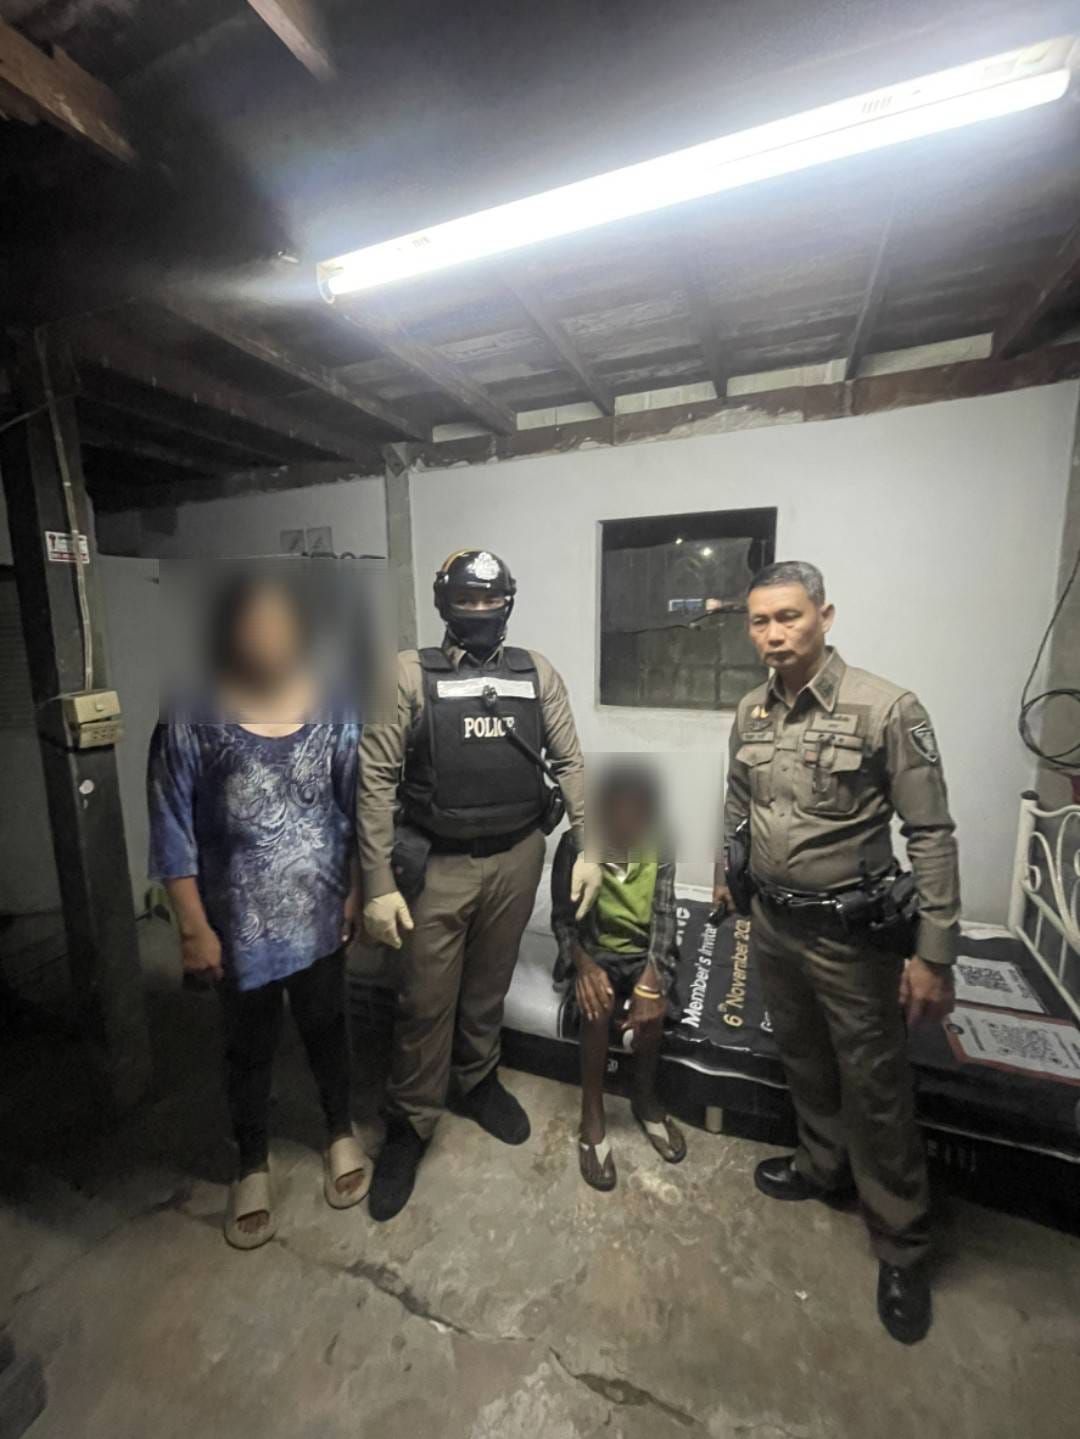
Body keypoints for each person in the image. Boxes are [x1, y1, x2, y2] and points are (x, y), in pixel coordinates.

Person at [716, 560, 959, 1345]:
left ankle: (902, 1241)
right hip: (775, 922)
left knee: (875, 1083)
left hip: (852, 938)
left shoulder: (885, 707)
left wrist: (934, 953)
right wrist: (727, 873)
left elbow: (931, 833)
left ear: (824, 616)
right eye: (760, 620)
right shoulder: (751, 710)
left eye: (789, 616)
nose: (774, 634)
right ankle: (822, 1166)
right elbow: (737, 801)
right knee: (805, 1060)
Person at [357, 549, 599, 1220]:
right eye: (467, 600)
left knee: (489, 985)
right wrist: (376, 881)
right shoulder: (406, 674)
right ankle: (410, 1123)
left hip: (518, 856)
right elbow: (373, 782)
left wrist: (589, 843)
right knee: (423, 1000)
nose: (480, 611)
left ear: (508, 603)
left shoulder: (535, 671)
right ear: (445, 604)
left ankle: (477, 1079)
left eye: (491, 600)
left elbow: (570, 759)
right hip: (437, 864)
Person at [148, 571, 368, 1250]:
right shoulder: (192, 709)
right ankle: (251, 1161)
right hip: (238, 929)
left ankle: (339, 1131)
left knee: (327, 1026)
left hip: (322, 914)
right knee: (248, 1046)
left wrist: (357, 888)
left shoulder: (334, 701)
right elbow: (170, 824)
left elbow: (356, 803)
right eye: (253, 622)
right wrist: (192, 925)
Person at [551, 762, 685, 1190]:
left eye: (638, 816)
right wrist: (583, 965)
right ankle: (592, 1113)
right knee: (596, 1002)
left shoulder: (661, 842)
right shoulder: (576, 847)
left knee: (654, 1007)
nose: (627, 828)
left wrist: (651, 978)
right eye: (617, 816)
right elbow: (563, 921)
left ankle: (644, 1097)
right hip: (596, 951)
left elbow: (664, 916)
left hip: (642, 951)